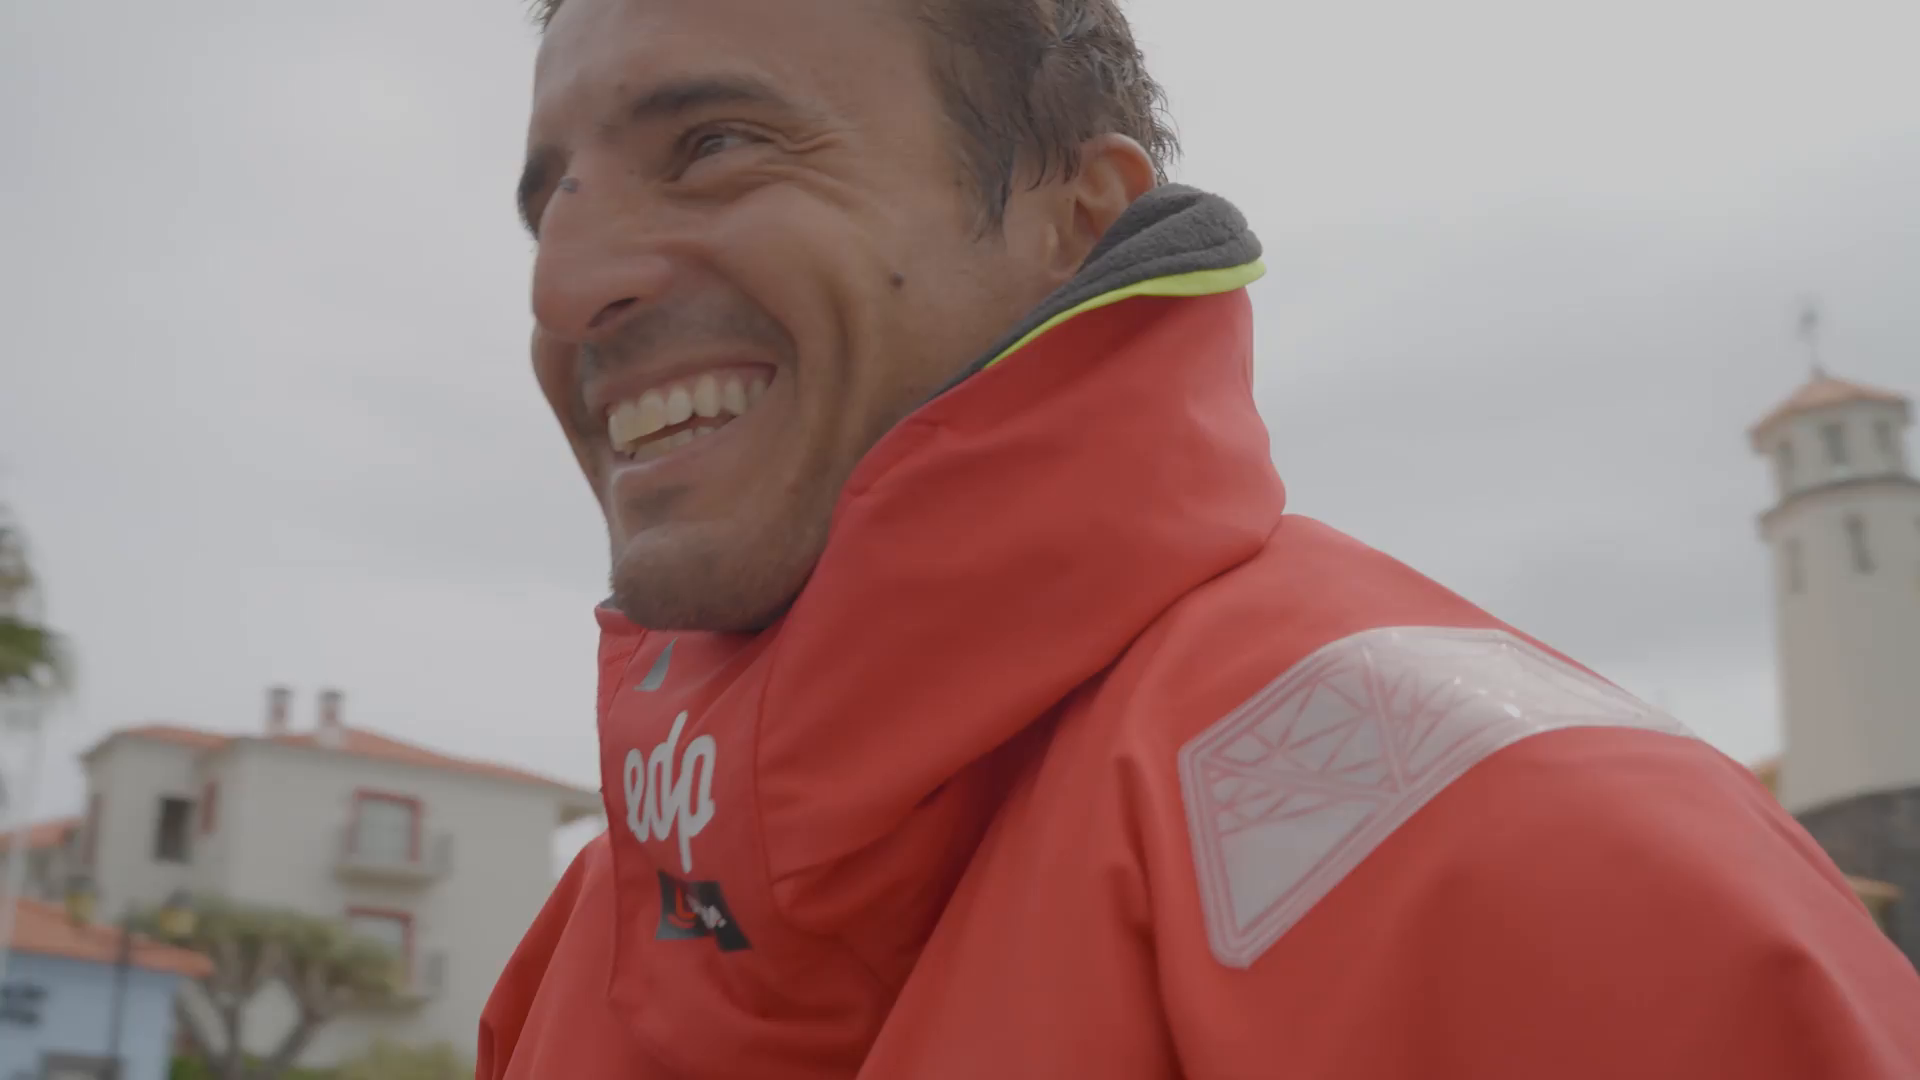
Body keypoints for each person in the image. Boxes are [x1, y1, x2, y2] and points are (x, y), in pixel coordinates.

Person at [480, 0, 1920, 1075]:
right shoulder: (593, 929)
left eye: (716, 147)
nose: (564, 289)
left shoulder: (1522, 855)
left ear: (1074, 217)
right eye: (553, 205)